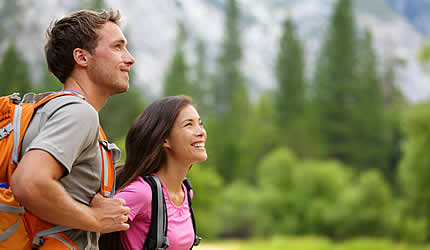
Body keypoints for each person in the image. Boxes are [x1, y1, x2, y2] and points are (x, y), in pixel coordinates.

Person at [10, 9, 135, 249]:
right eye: (117, 47)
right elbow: (28, 182)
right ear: (82, 57)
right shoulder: (79, 112)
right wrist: (95, 219)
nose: (129, 58)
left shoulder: (48, 109)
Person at [99, 96, 207, 250]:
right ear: (164, 139)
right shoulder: (143, 193)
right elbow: (85, 231)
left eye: (200, 124)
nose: (201, 132)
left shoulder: (186, 192)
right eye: (189, 125)